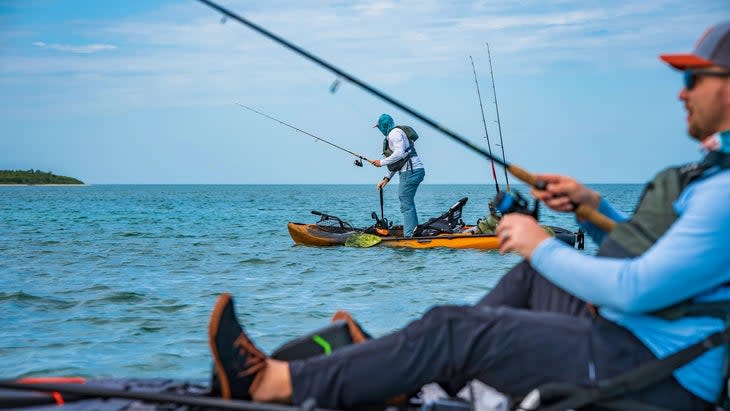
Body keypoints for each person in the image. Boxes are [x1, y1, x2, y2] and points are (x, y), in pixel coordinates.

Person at [207, 22, 730, 410]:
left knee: (455, 327)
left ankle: (272, 383)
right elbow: (649, 249)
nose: (681, 92)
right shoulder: (712, 173)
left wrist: (536, 242)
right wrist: (593, 210)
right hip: (634, 334)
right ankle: (410, 368)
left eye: (694, 78)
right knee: (525, 283)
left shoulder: (724, 192)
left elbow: (636, 288)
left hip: (657, 371)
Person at [369, 113, 425, 237]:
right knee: (407, 202)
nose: (380, 130)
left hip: (411, 172)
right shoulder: (397, 133)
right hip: (413, 170)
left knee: (405, 202)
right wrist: (386, 178)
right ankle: (414, 231)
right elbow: (398, 160)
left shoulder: (394, 134)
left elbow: (399, 154)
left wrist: (381, 162)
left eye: (380, 127)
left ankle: (410, 235)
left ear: (384, 125)